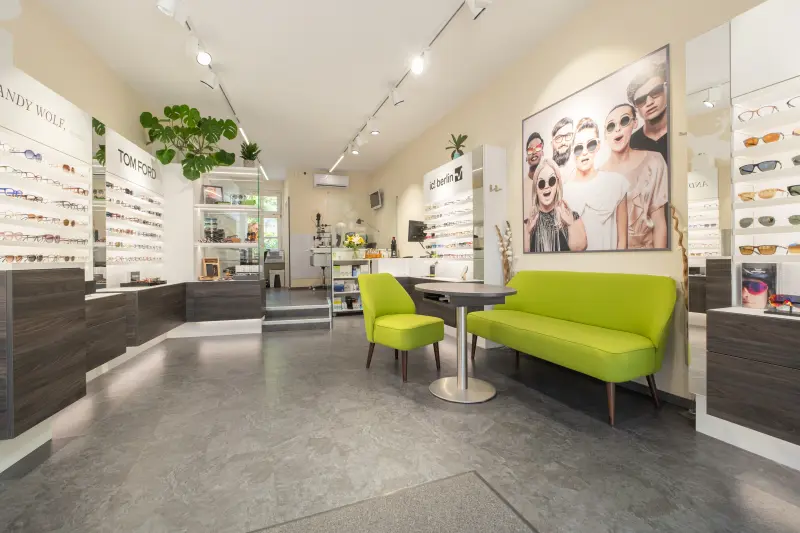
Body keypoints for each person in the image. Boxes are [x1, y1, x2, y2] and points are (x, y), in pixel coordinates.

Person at [601, 104, 668, 249]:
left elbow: (659, 222)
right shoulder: (599, 175)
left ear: (635, 123)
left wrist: (660, 259)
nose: (617, 129)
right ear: (605, 134)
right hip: (609, 255)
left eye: (624, 121)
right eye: (611, 126)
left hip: (645, 254)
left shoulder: (654, 162)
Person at [563, 118, 628, 250]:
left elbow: (622, 241)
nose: (584, 152)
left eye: (591, 145)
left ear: (598, 146)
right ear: (572, 151)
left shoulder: (616, 183)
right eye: (579, 148)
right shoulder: (564, 192)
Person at [524, 158, 587, 252]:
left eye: (551, 180)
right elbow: (522, 254)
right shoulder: (527, 225)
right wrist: (528, 233)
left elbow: (580, 248)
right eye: (541, 183)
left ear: (557, 184)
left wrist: (570, 224)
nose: (546, 186)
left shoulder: (573, 218)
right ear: (535, 188)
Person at [627, 61, 669, 163]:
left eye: (656, 92)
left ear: (666, 90)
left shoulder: (680, 130)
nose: (649, 102)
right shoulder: (631, 143)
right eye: (641, 100)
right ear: (635, 108)